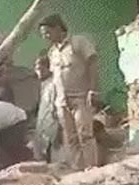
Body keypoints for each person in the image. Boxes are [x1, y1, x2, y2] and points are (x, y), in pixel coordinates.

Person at [40, 14, 100, 169]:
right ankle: (78, 169)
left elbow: (92, 63)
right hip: (62, 102)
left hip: (80, 98)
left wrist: (93, 90)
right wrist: (53, 104)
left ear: (58, 28)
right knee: (70, 138)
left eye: (48, 32)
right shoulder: (52, 52)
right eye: (43, 34)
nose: (46, 36)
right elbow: (55, 78)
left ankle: (92, 169)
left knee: (85, 135)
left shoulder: (78, 42)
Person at [32, 55, 61, 163]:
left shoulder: (54, 83)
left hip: (53, 121)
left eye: (41, 69)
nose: (38, 72)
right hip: (44, 121)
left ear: (48, 68)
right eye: (36, 69)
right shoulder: (44, 83)